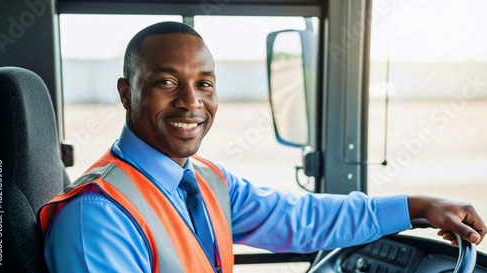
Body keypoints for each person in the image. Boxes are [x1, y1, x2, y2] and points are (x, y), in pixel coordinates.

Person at [38, 21, 486, 273]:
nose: (191, 102)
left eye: (205, 83)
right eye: (166, 82)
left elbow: (302, 219)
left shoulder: (208, 181)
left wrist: (419, 207)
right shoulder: (95, 218)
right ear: (125, 92)